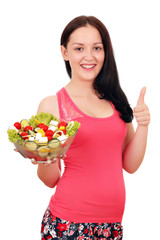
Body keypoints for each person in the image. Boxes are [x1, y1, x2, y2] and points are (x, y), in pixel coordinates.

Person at [33, 16, 150, 239]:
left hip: (111, 226)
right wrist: (45, 157)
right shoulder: (51, 106)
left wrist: (143, 125)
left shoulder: (115, 99)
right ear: (65, 53)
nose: (89, 57)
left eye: (97, 48)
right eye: (79, 48)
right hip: (67, 224)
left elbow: (130, 164)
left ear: (105, 52)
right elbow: (49, 180)